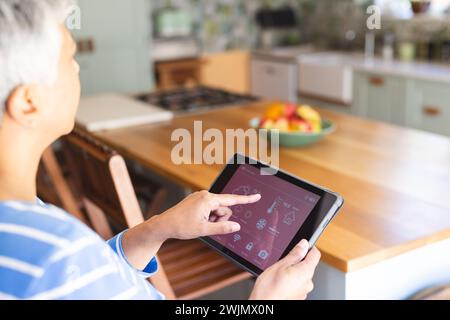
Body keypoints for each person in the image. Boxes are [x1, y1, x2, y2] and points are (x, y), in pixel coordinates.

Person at [0, 0, 321, 300]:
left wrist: (159, 227)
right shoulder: (57, 256)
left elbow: (91, 280)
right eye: (70, 58)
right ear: (28, 103)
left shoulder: (32, 228)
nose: (78, 69)